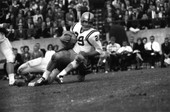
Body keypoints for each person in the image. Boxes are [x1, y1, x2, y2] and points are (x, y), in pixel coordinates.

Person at [29, 12, 104, 86]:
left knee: (80, 77)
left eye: (89, 22)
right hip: (71, 53)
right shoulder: (76, 26)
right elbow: (70, 38)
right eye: (84, 22)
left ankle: (81, 73)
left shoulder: (94, 34)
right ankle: (43, 78)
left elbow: (99, 50)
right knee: (55, 57)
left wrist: (86, 54)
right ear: (81, 20)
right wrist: (65, 39)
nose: (86, 24)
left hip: (83, 60)